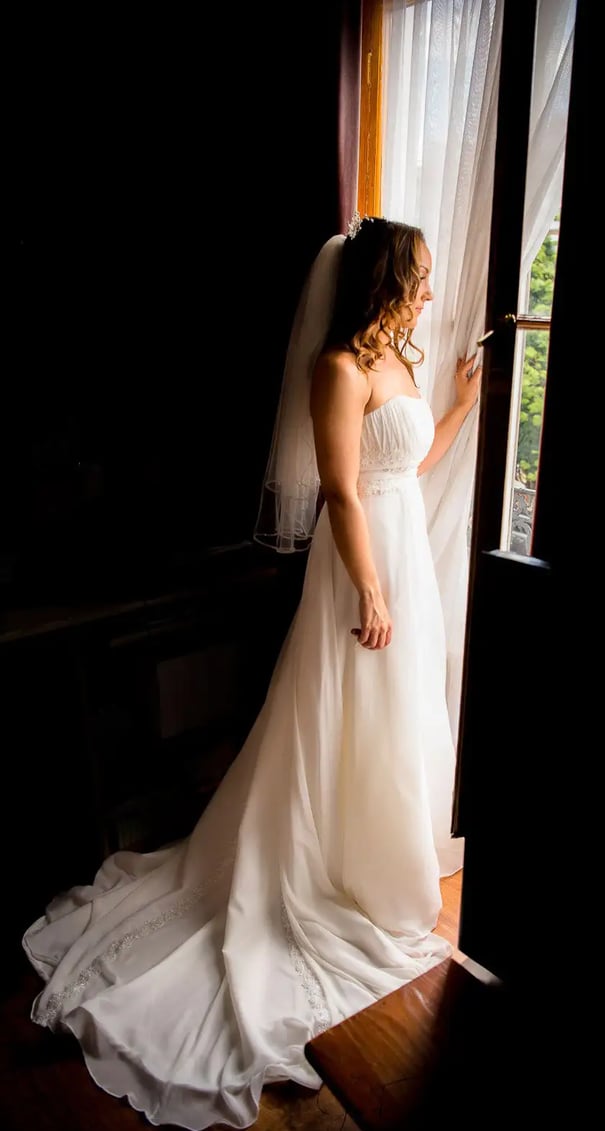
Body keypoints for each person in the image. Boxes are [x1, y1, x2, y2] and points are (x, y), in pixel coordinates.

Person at [22, 215, 481, 1130]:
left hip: (405, 564)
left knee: (394, 722)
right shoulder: (339, 369)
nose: (430, 291)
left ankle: (381, 864)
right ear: (385, 276)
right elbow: (345, 490)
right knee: (340, 717)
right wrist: (370, 589)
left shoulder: (395, 361)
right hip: (361, 565)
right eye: (420, 276)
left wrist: (462, 405)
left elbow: (406, 463)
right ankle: (323, 873)